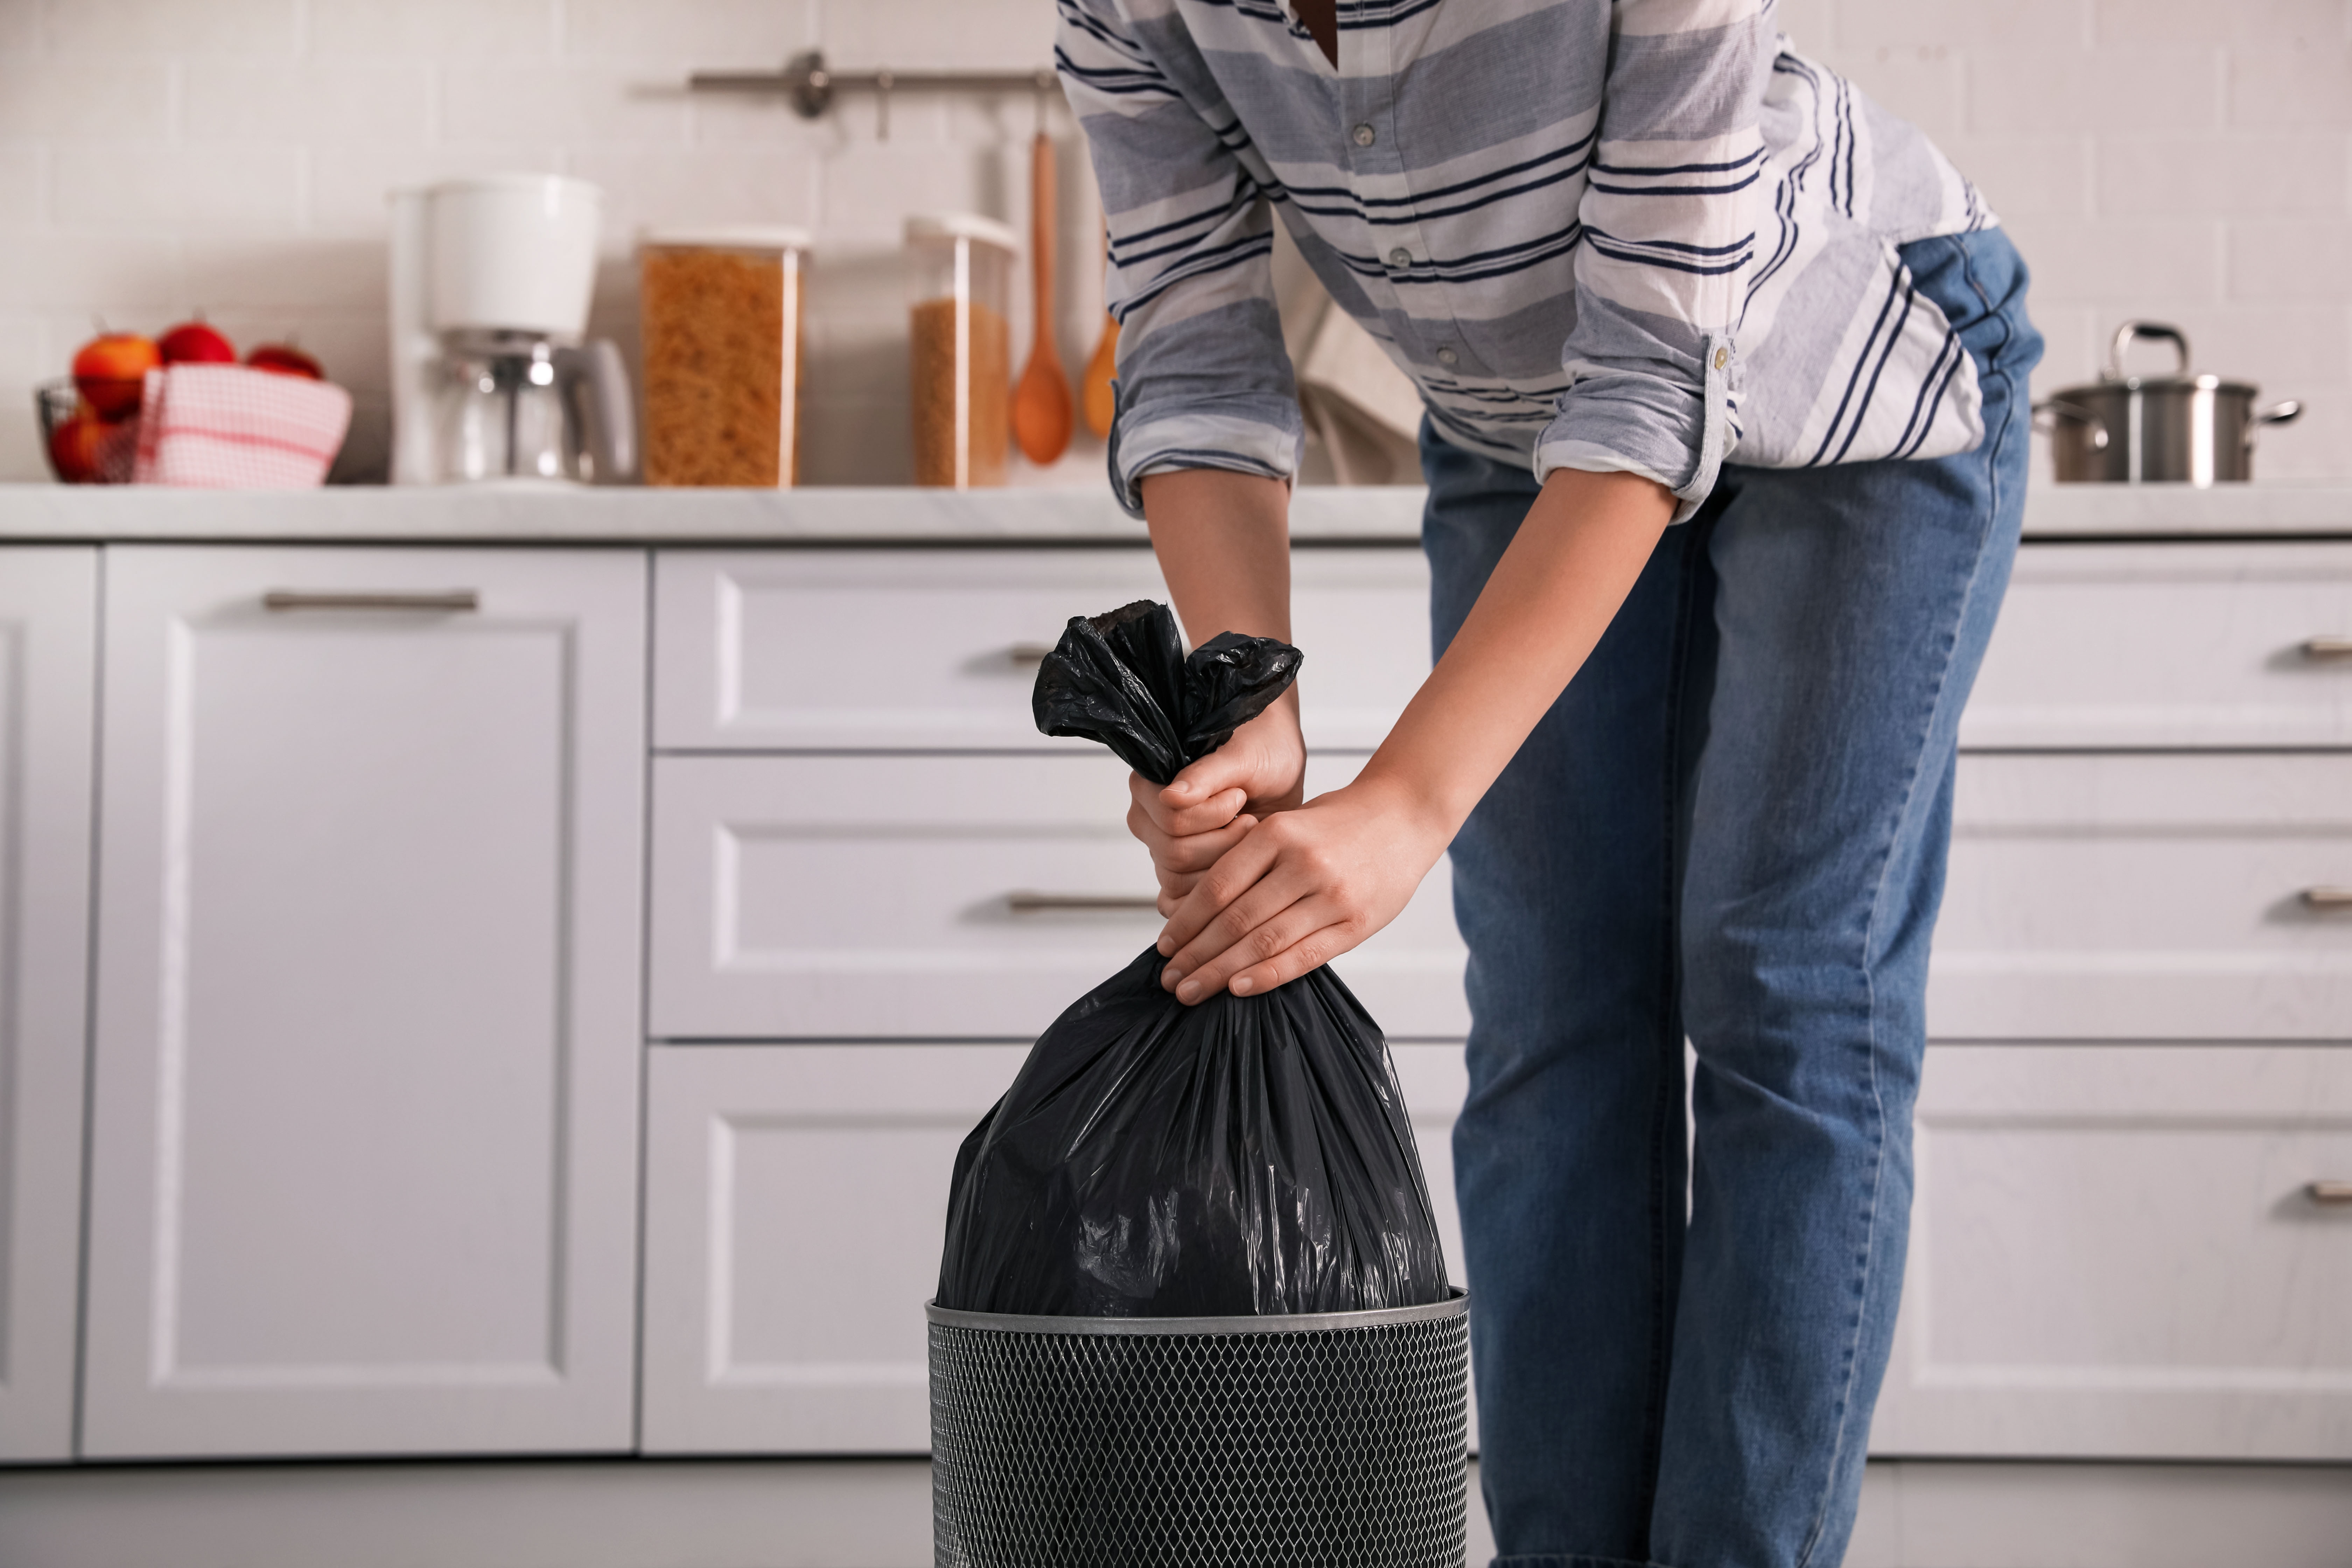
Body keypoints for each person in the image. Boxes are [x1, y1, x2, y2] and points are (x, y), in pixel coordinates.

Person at [1056, 1, 2040, 1564]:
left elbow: (1658, 382)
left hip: (1861, 390)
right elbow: (1192, 334)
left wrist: (1408, 803)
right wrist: (1254, 694)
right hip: (1526, 429)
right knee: (1551, 1006)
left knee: (1783, 985)